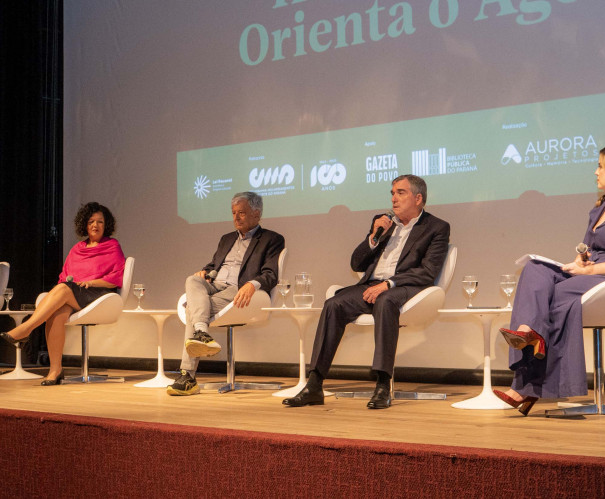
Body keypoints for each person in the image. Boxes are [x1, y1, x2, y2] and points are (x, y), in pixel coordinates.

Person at [495, 143, 605, 415]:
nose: (595, 172)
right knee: (535, 268)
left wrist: (589, 270)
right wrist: (578, 263)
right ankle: (528, 331)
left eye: (600, 166)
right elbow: (588, 251)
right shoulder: (601, 208)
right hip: (592, 274)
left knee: (557, 297)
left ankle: (526, 384)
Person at [283, 174, 450, 409]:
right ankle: (314, 385)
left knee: (385, 301)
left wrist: (389, 283)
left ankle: (382, 385)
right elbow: (356, 264)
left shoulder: (436, 228)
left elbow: (427, 272)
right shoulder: (383, 222)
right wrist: (373, 237)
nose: (394, 198)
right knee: (334, 304)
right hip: (371, 286)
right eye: (392, 193)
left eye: (400, 193)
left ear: (418, 198)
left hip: (404, 288)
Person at [167, 191, 285, 396]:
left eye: (241, 213)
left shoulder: (271, 239)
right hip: (216, 286)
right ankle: (201, 332)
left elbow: (271, 274)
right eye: (233, 213)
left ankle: (187, 376)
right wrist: (205, 273)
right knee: (192, 280)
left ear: (256, 214)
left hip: (238, 290)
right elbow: (214, 265)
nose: (236, 218)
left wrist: (252, 284)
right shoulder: (226, 239)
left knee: (192, 310)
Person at [1, 202, 126, 386]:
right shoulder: (77, 249)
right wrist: (72, 285)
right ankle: (55, 370)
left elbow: (116, 277)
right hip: (75, 292)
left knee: (63, 289)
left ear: (106, 225)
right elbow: (65, 277)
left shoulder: (112, 245)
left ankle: (27, 328)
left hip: (100, 295)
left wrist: (90, 282)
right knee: (57, 311)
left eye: (100, 221)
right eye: (91, 221)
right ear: (85, 224)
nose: (95, 225)